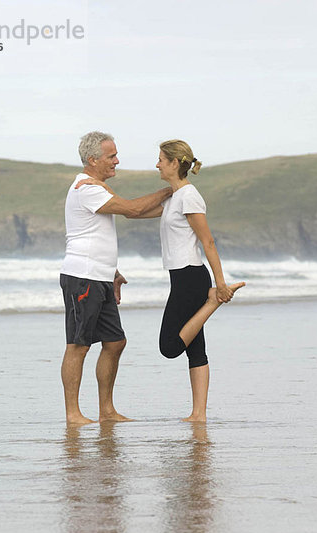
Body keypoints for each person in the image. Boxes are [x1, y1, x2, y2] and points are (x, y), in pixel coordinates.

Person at [79, 139, 245, 423]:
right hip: (182, 275)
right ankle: (198, 415)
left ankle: (213, 303)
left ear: (173, 163)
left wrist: (219, 284)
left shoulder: (190, 196)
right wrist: (97, 188)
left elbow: (208, 241)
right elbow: (135, 213)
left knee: (169, 347)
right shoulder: (175, 197)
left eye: (160, 160)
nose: (156, 164)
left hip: (190, 276)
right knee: (196, 348)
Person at [60, 131, 172, 425]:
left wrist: (178, 208)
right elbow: (132, 209)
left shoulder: (97, 187)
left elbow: (131, 215)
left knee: (115, 342)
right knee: (78, 345)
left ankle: (106, 411)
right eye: (111, 156)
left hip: (100, 276)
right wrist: (172, 188)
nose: (117, 161)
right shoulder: (87, 189)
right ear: (93, 159)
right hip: (82, 277)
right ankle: (73, 414)